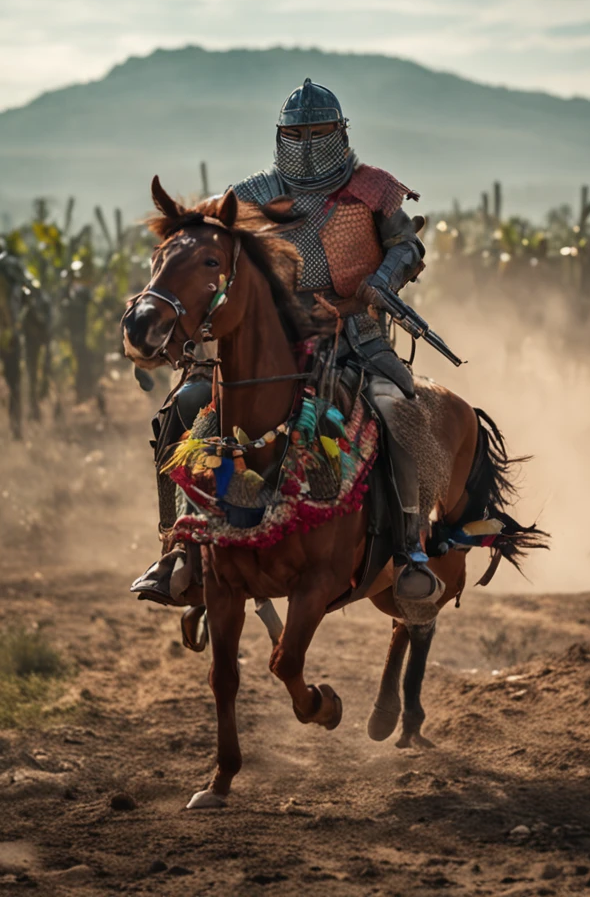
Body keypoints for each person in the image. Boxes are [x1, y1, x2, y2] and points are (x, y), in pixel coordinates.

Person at [131, 78, 440, 605]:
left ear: (340, 133)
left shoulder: (374, 189)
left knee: (398, 409)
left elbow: (406, 246)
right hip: (263, 346)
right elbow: (199, 245)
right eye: (298, 134)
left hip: (353, 337)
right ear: (281, 137)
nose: (309, 143)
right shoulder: (249, 194)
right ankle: (177, 547)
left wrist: (376, 285)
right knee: (184, 407)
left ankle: (409, 548)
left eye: (319, 132)